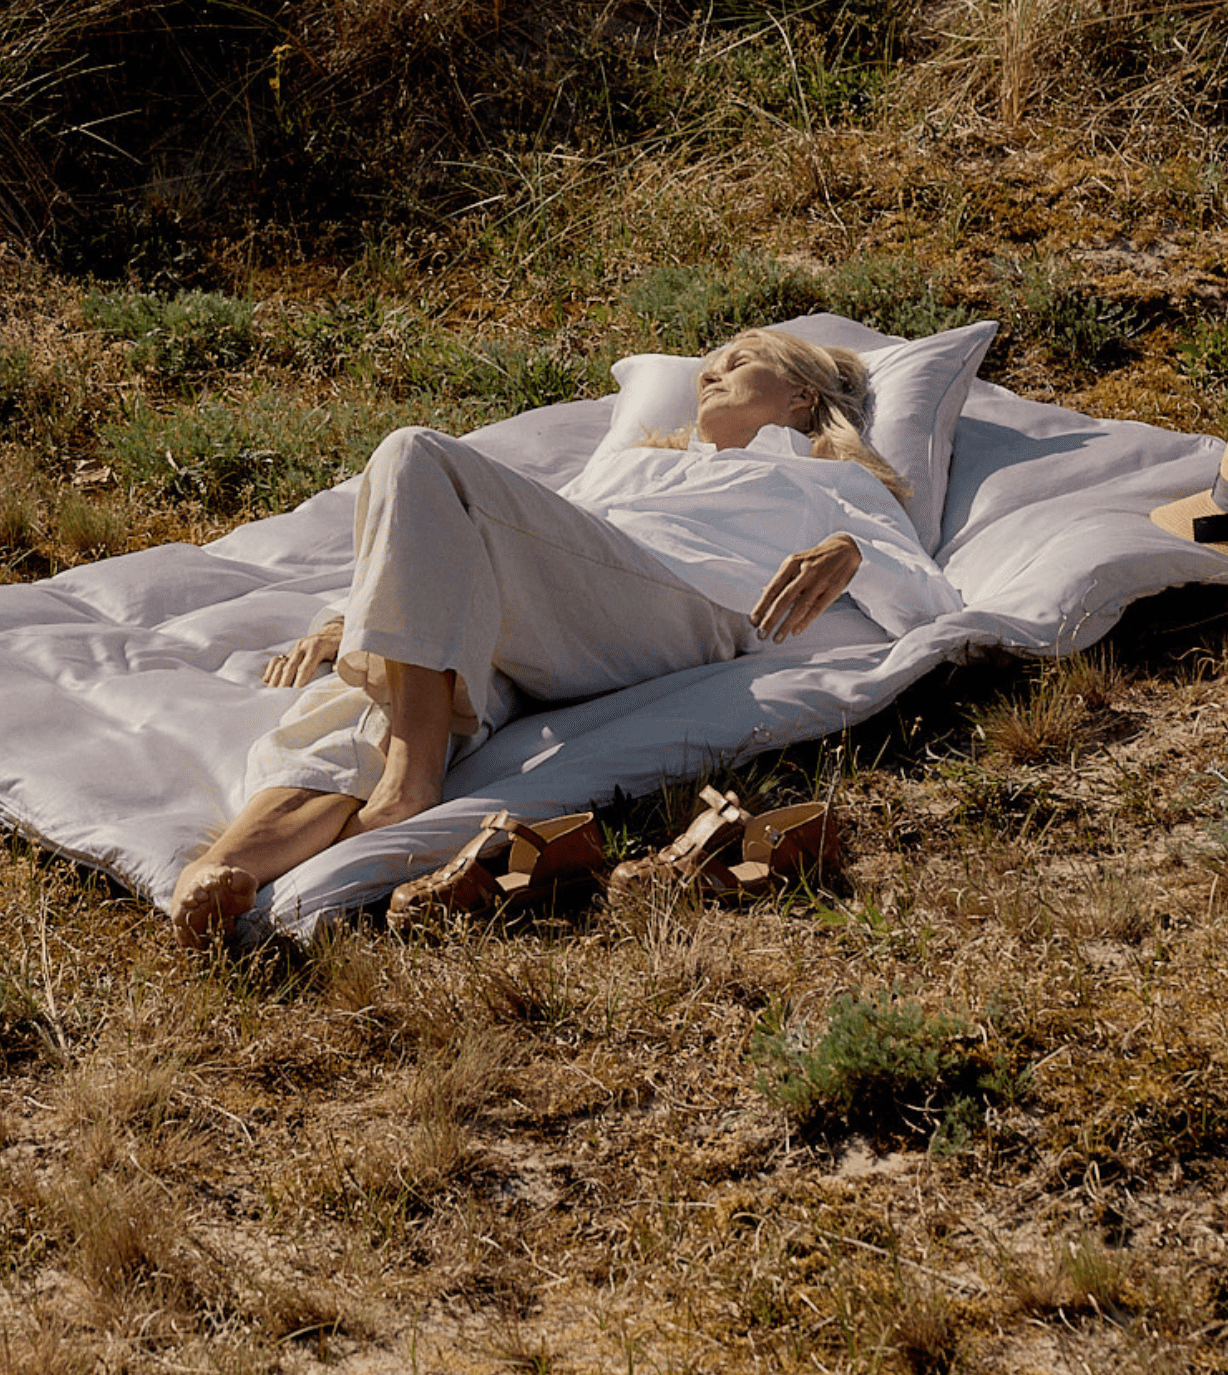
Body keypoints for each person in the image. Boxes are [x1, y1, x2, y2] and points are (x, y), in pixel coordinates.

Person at [169, 329, 959, 945]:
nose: (708, 373)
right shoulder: (631, 465)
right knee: (369, 693)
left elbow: (931, 601)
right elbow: (477, 535)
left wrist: (849, 553)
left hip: (678, 603)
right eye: (705, 365)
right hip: (567, 604)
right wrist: (361, 622)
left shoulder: (829, 479)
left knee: (415, 452)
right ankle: (226, 867)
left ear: (799, 395)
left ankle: (409, 787)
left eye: (740, 358)